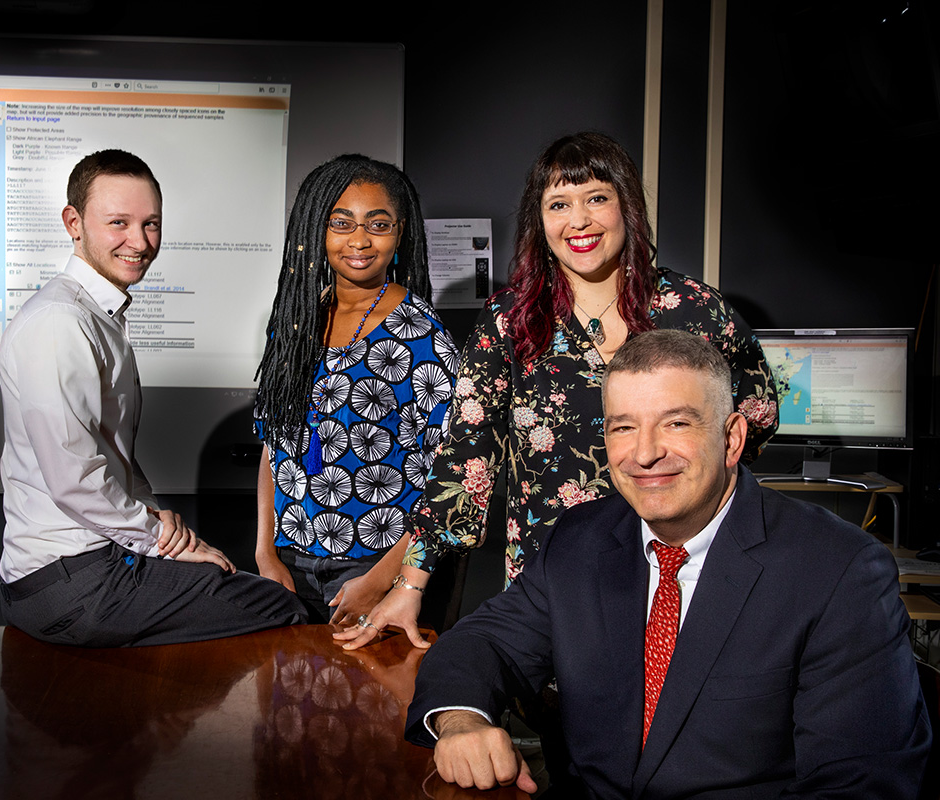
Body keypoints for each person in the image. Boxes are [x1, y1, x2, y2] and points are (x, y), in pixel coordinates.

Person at [406, 329, 930, 797]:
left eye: (676, 422)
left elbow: (862, 784)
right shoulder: (581, 539)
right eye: (623, 428)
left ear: (732, 439)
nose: (645, 453)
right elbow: (484, 642)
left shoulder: (839, 570)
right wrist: (460, 722)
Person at [337, 131, 779, 650]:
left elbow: (756, 415)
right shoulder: (511, 321)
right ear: (539, 221)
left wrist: (694, 496)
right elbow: (465, 460)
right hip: (554, 577)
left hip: (681, 569)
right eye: (559, 204)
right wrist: (412, 582)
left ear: (627, 206)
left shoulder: (694, 310)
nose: (579, 221)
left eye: (597, 198)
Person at [0, 149, 307, 646]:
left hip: (89, 566)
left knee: (229, 580)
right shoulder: (60, 323)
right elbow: (74, 479)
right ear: (73, 223)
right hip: (72, 581)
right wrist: (162, 543)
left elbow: (107, 453)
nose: (139, 242)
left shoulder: (98, 315)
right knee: (282, 606)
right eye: (118, 222)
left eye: (151, 224)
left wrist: (158, 521)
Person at [253, 155, 457, 623]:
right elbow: (274, 445)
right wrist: (265, 552)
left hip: (375, 566)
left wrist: (382, 581)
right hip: (289, 567)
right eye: (341, 223)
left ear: (401, 232)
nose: (359, 240)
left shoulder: (423, 336)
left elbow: (446, 479)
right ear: (314, 230)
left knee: (369, 696)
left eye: (378, 224)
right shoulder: (295, 321)